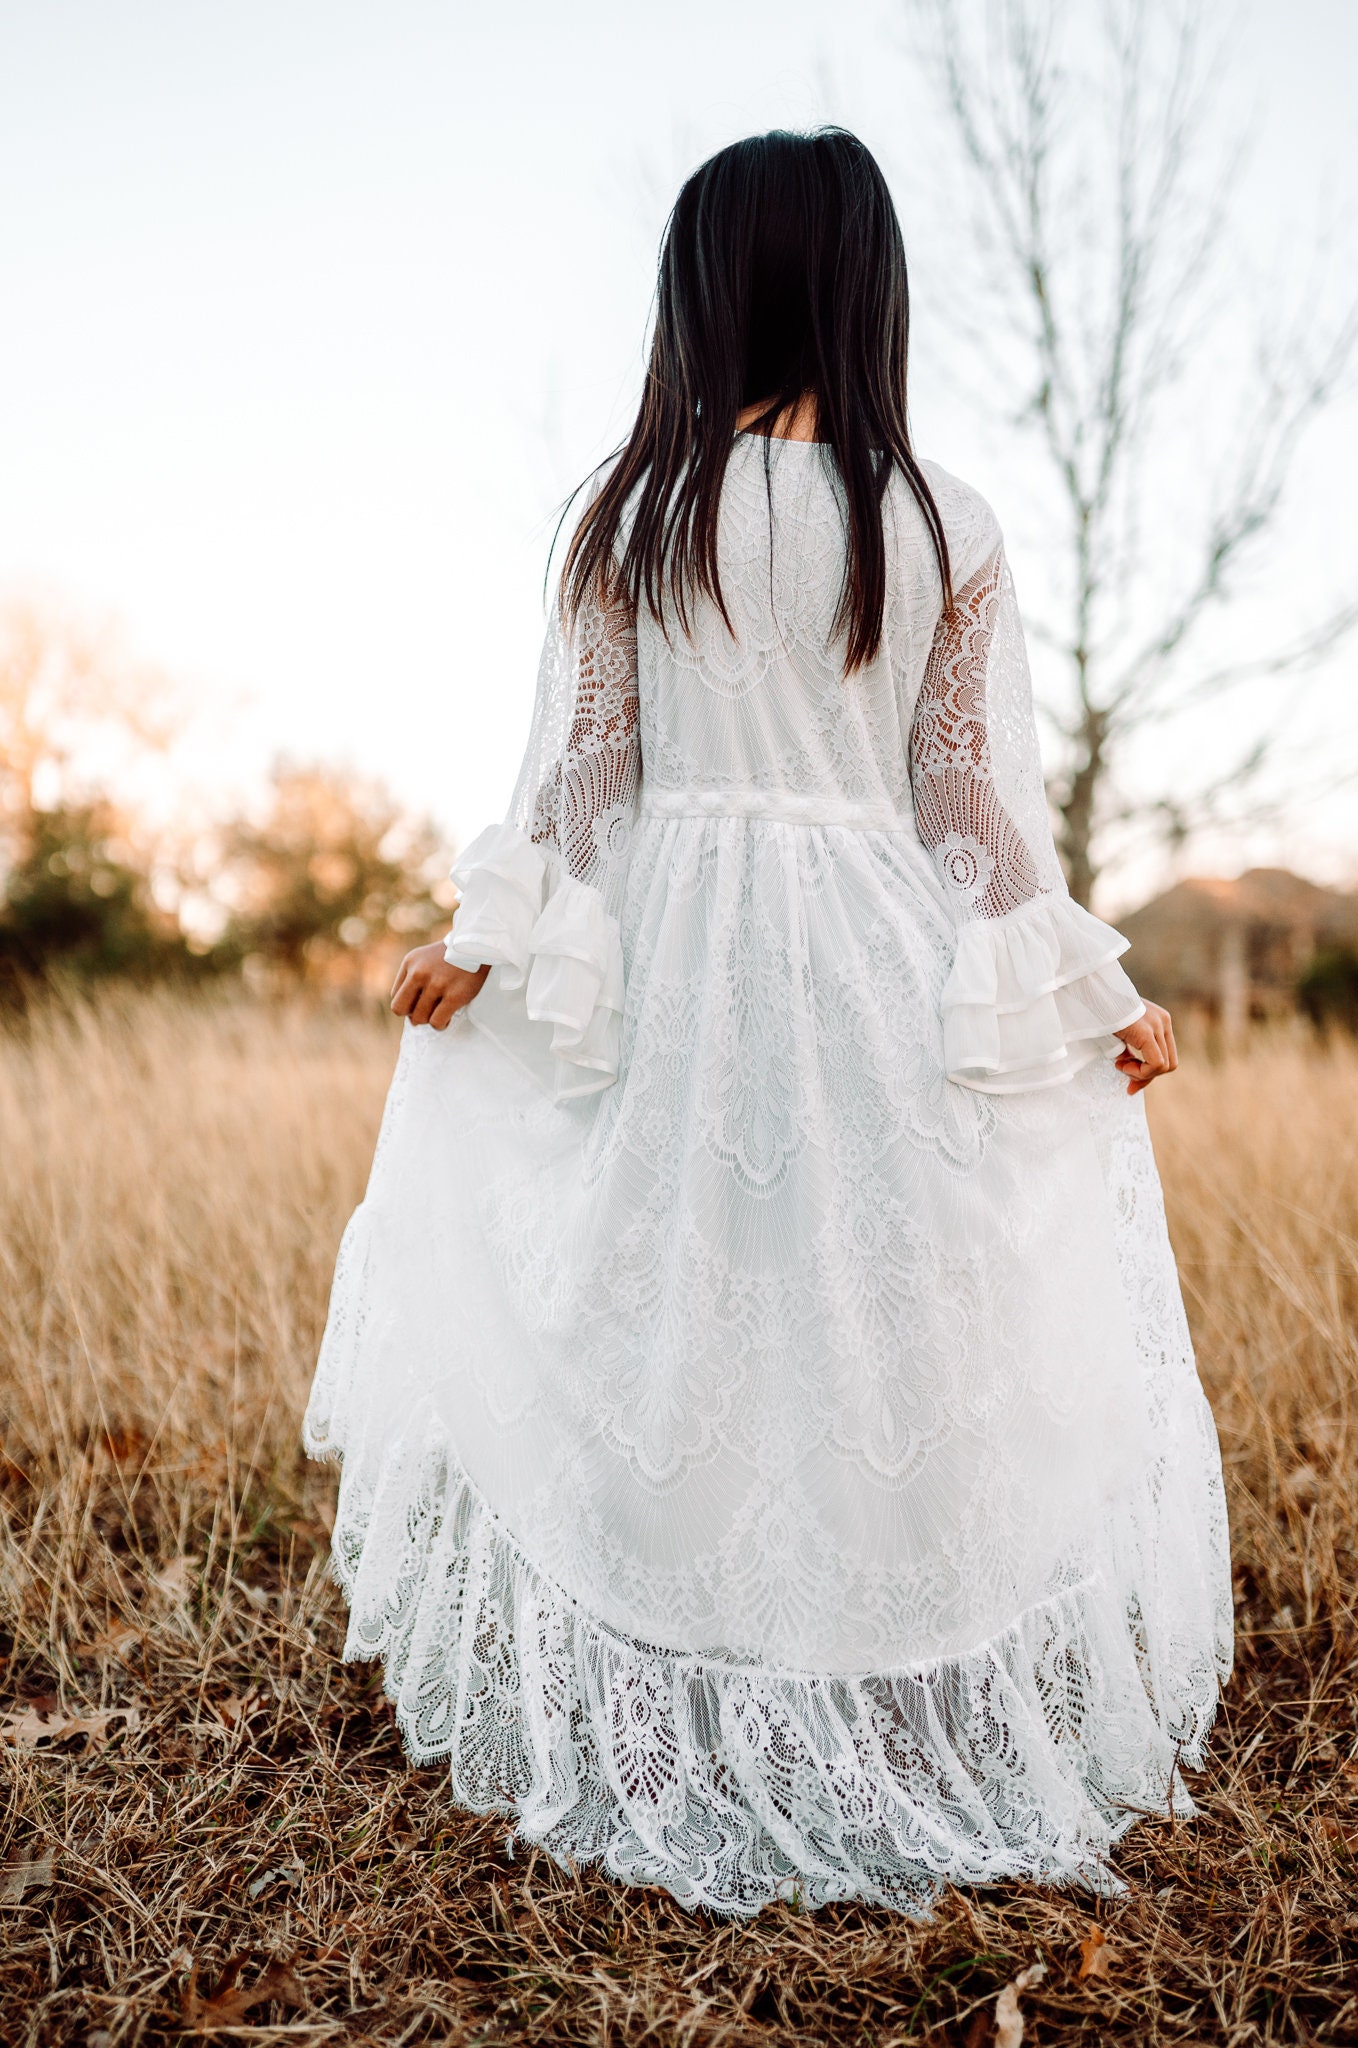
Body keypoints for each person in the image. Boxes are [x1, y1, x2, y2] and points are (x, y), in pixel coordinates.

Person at [305, 128, 1231, 1918]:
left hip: (678, 956)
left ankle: (697, 1699)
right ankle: (848, 1704)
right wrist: (1075, 974)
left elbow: (586, 780)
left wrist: (485, 938)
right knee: (874, 1306)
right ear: (867, 282)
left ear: (703, 287)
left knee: (670, 1304)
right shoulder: (940, 514)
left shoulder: (634, 505)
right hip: (871, 946)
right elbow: (965, 810)